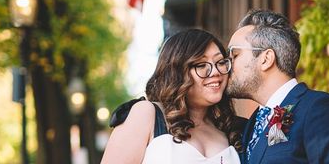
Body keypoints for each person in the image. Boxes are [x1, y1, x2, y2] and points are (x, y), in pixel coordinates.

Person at [228, 10, 329, 164]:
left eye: (235, 55)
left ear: (266, 59)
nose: (227, 65)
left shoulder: (318, 110)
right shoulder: (248, 128)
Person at [101, 28, 242, 164]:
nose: (216, 72)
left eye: (220, 62)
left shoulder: (231, 129)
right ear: (177, 73)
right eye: (200, 64)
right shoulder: (147, 114)